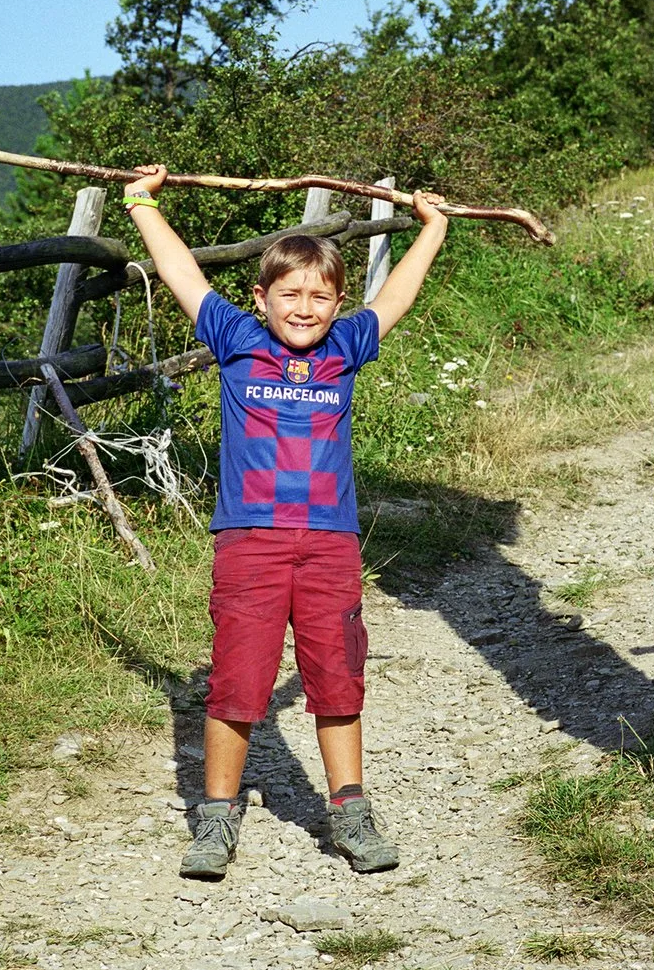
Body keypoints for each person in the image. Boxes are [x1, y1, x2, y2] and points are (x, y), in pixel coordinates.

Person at [118, 166, 451, 882]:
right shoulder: (236, 338)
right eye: (290, 295)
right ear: (261, 297)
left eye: (320, 296)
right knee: (237, 684)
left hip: (329, 543)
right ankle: (215, 817)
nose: (304, 308)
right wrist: (143, 203)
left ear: (337, 303)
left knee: (337, 678)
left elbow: (395, 295)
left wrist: (434, 228)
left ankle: (351, 814)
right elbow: (180, 271)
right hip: (251, 542)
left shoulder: (346, 348)